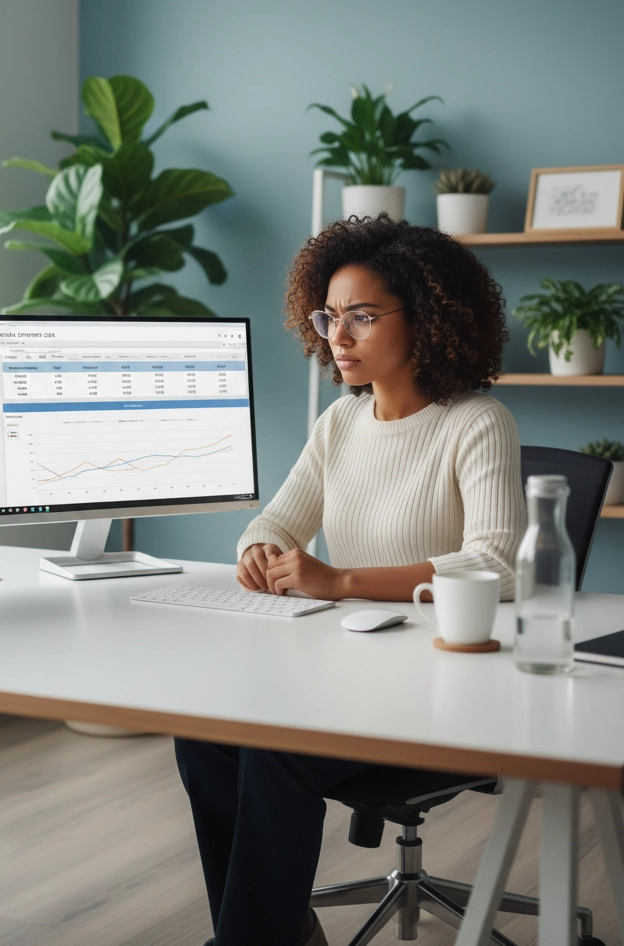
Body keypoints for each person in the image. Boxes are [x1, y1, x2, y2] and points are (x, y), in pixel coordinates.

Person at [175, 216, 526, 946]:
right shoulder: (340, 422)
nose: (340, 334)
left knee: (272, 750)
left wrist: (338, 582)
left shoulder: (477, 422)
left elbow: (495, 565)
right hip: (341, 677)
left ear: (427, 320)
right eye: (330, 315)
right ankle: (273, 931)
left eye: (363, 316)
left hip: (440, 695)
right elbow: (272, 523)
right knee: (201, 733)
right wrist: (261, 552)